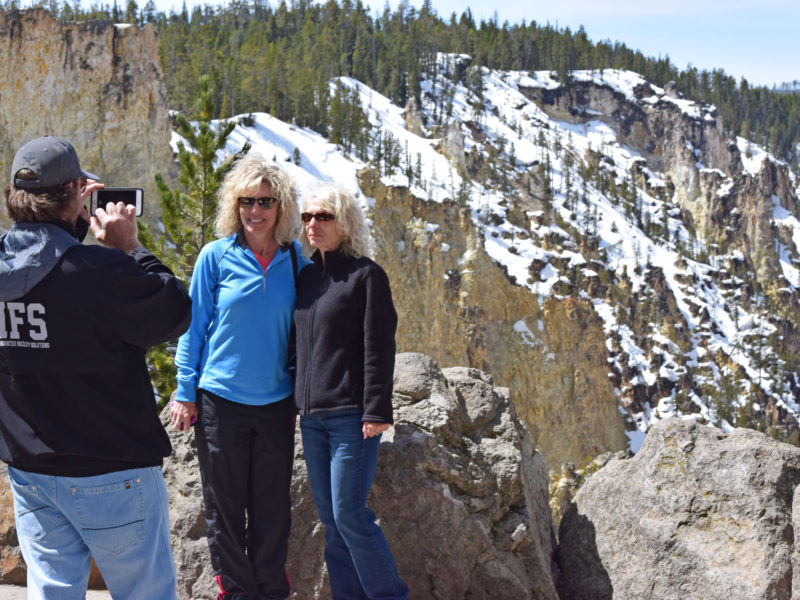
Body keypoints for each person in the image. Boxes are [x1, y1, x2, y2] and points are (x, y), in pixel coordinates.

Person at [0, 135, 191, 598]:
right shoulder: (100, 272)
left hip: (31, 469)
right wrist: (129, 250)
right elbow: (173, 312)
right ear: (74, 194)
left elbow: (45, 271)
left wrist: (76, 235)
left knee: (52, 591)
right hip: (110, 469)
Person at [170, 154, 307, 600]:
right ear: (235, 204)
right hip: (219, 403)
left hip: (274, 403)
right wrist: (184, 391)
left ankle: (270, 590)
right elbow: (193, 327)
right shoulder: (216, 256)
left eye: (265, 201)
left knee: (272, 509)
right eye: (247, 201)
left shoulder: (295, 260)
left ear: (280, 207)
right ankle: (236, 592)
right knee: (224, 510)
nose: (255, 211)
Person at [294, 184, 409, 600]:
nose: (312, 225)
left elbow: (379, 347)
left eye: (323, 217)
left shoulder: (367, 276)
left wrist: (376, 410)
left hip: (351, 418)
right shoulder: (306, 277)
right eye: (307, 217)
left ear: (344, 223)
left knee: (351, 516)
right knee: (332, 522)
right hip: (311, 420)